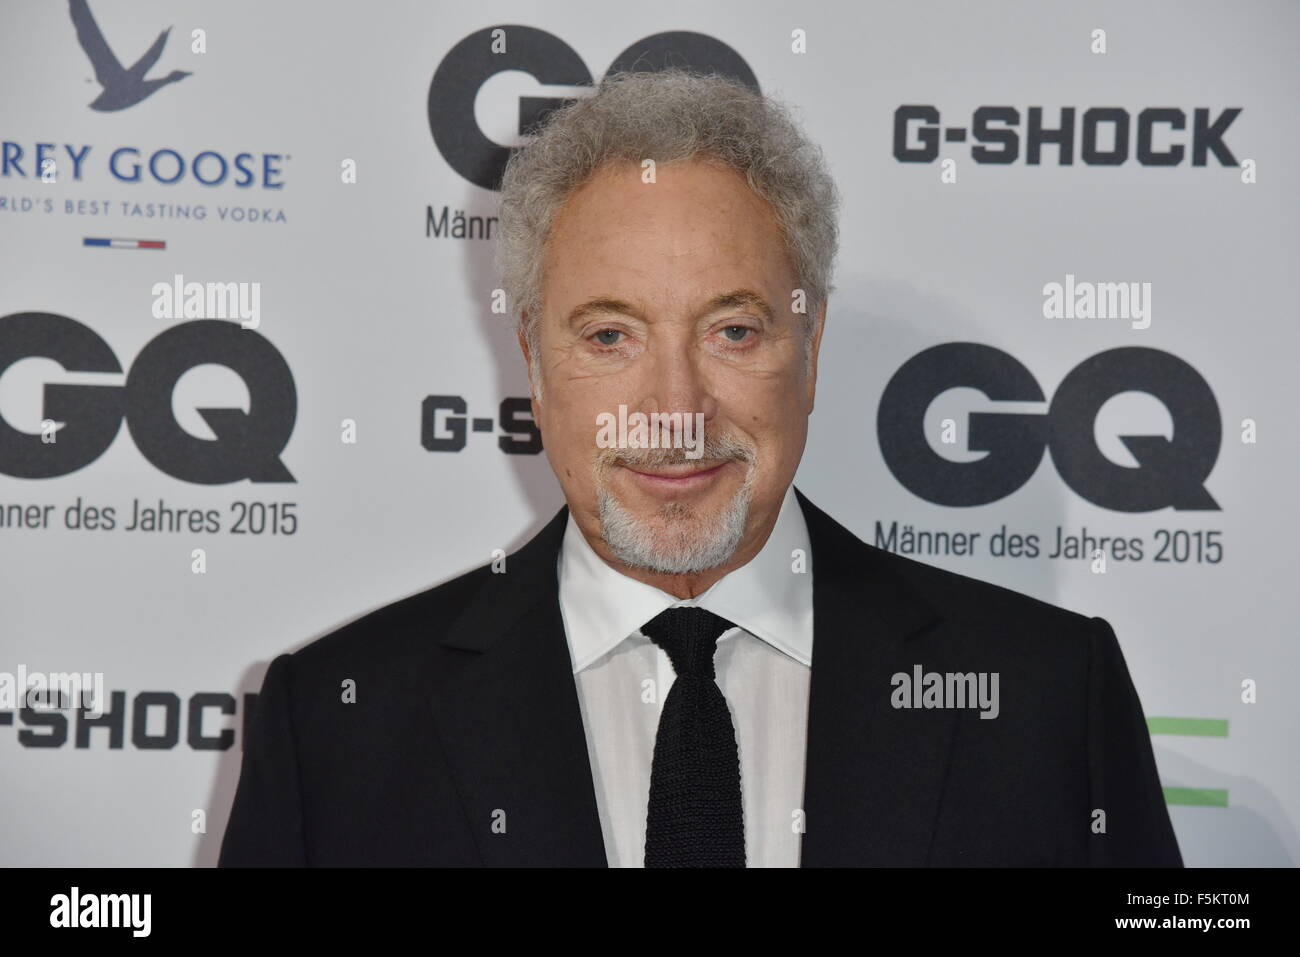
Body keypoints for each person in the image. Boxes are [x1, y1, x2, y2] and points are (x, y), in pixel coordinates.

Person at [219, 69, 1181, 867]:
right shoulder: (340, 726)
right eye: (609, 334)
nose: (674, 407)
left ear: (810, 348)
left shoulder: (1049, 692)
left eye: (732, 329)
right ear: (533, 363)